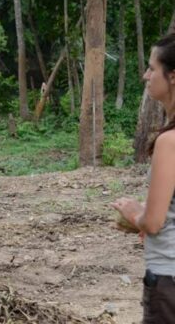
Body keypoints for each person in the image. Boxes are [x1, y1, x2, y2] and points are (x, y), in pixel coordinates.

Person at [111, 33, 175, 323]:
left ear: (172, 76)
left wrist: (135, 214)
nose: (145, 75)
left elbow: (153, 222)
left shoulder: (169, 141)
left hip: (167, 279)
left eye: (152, 68)